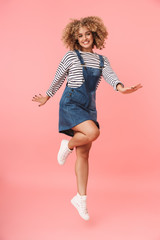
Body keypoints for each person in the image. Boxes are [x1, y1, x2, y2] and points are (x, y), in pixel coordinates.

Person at [32, 16, 142, 221]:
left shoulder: (102, 60)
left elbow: (111, 77)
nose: (84, 38)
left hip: (89, 107)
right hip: (71, 103)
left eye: (87, 34)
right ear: (74, 38)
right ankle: (68, 145)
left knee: (84, 155)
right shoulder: (70, 56)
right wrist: (47, 95)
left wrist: (121, 88)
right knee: (93, 132)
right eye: (80, 35)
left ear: (95, 34)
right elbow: (58, 77)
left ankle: (80, 198)